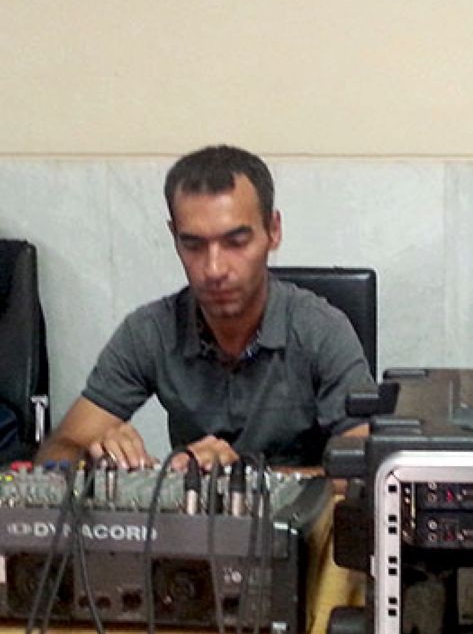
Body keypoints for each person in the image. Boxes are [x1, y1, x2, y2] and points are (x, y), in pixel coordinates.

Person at [37, 145, 375, 470]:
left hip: (301, 510)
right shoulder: (150, 331)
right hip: (192, 510)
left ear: (273, 231)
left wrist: (239, 479)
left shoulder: (322, 330)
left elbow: (367, 467)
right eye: (194, 245)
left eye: (236, 242)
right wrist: (96, 461)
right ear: (174, 236)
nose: (214, 269)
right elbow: (55, 454)